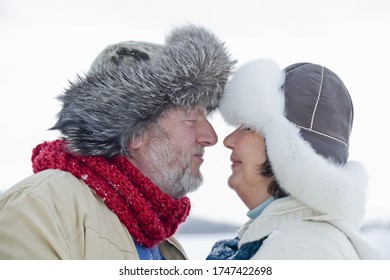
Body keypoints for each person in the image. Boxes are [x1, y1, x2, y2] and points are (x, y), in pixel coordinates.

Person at [0, 24, 235, 259]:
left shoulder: (155, 234)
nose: (211, 137)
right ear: (135, 132)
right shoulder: (41, 210)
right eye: (191, 118)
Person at [206, 58, 381, 259]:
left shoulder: (301, 249)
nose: (228, 140)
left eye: (248, 128)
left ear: (288, 154)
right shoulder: (282, 238)